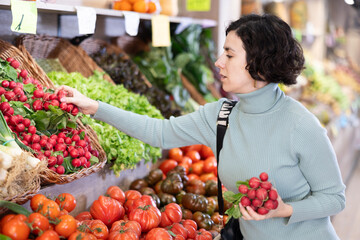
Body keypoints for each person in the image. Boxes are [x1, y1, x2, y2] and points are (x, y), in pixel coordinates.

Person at [56, 14, 345, 240]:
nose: (219, 62)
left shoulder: (301, 125)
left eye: (230, 55)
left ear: (259, 65)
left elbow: (334, 198)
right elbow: (158, 131)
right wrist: (95, 107)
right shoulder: (221, 116)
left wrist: (286, 210)